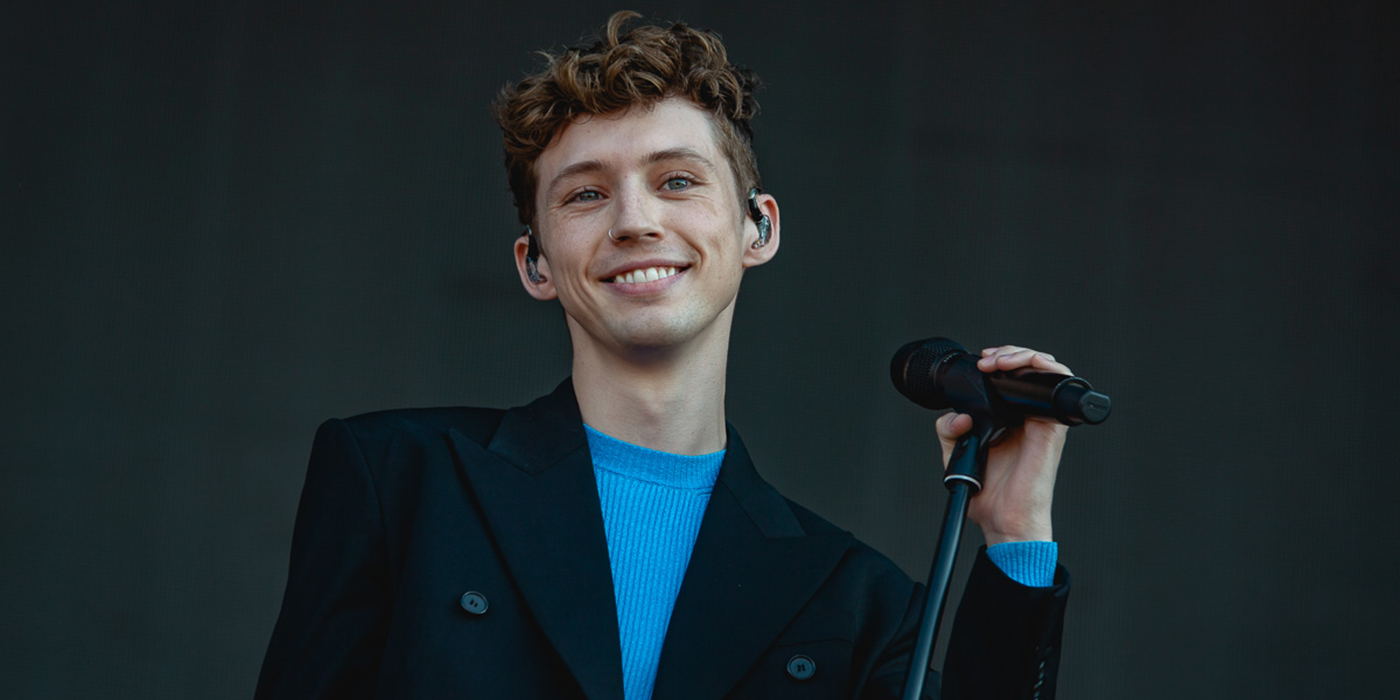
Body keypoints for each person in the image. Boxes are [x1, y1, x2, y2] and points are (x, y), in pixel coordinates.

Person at [256, 11, 1071, 700]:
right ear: (534, 262)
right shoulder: (394, 478)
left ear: (759, 228)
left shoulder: (859, 599)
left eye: (677, 180)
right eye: (584, 193)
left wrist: (1014, 537)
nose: (635, 220)